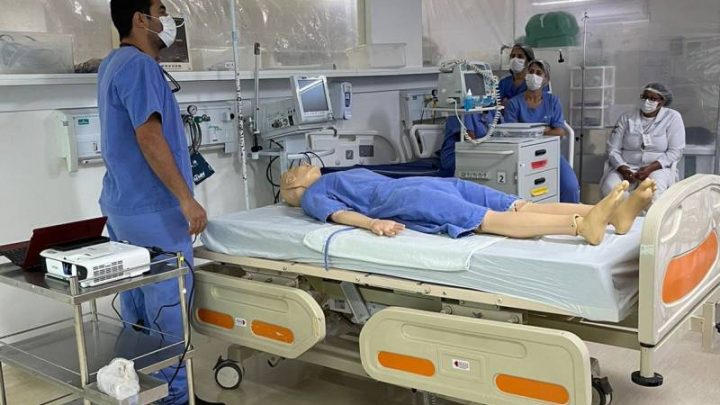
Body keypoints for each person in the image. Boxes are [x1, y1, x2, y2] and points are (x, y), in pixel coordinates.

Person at [100, 1, 219, 404]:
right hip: (155, 211)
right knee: (168, 314)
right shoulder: (139, 67)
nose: (168, 21)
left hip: (123, 206)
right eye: (161, 10)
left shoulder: (113, 64)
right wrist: (186, 199)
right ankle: (174, 398)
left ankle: (140, 393)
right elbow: (149, 136)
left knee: (138, 311)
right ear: (140, 19)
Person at [280, 165, 655, 246]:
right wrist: (371, 224)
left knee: (517, 205)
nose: (303, 165)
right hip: (409, 198)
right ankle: (581, 225)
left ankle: (611, 215)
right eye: (295, 170)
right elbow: (338, 215)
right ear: (293, 187)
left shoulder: (330, 176)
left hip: (430, 185)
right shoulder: (313, 195)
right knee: (488, 218)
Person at [504, 59, 580, 203]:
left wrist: (529, 130)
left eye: (539, 73)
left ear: (546, 80)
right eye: (531, 71)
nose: (534, 75)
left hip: (550, 153)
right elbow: (512, 133)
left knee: (570, 186)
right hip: (523, 156)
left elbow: (560, 132)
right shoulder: (514, 103)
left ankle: (572, 215)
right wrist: (545, 129)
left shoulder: (553, 102)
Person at [600, 83, 685, 199]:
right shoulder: (627, 117)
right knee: (611, 187)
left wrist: (649, 169)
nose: (647, 101)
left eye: (653, 99)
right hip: (627, 166)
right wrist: (623, 168)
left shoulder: (672, 117)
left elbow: (675, 152)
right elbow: (612, 149)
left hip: (658, 168)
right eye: (644, 97)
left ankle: (649, 212)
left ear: (663, 101)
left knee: (654, 190)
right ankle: (626, 210)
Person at [439, 111, 493, 177]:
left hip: (477, 153)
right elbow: (470, 139)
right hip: (457, 157)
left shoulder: (488, 111)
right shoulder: (465, 112)